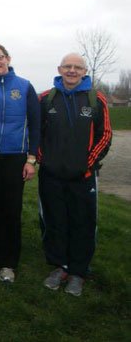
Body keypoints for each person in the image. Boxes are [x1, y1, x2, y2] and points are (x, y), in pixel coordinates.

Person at [38, 53, 112, 296]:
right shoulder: (46, 99)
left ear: (84, 71)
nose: (71, 71)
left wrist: (88, 164)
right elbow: (36, 134)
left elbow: (105, 136)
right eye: (67, 66)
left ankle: (79, 271)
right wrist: (43, 160)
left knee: (83, 223)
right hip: (51, 175)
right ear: (59, 69)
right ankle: (60, 267)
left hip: (83, 176)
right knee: (54, 221)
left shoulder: (96, 99)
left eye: (77, 67)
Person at [0, 43, 40, 283]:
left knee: (11, 210)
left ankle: (8, 264)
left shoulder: (24, 87)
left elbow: (35, 124)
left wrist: (31, 158)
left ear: (8, 58)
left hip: (16, 156)